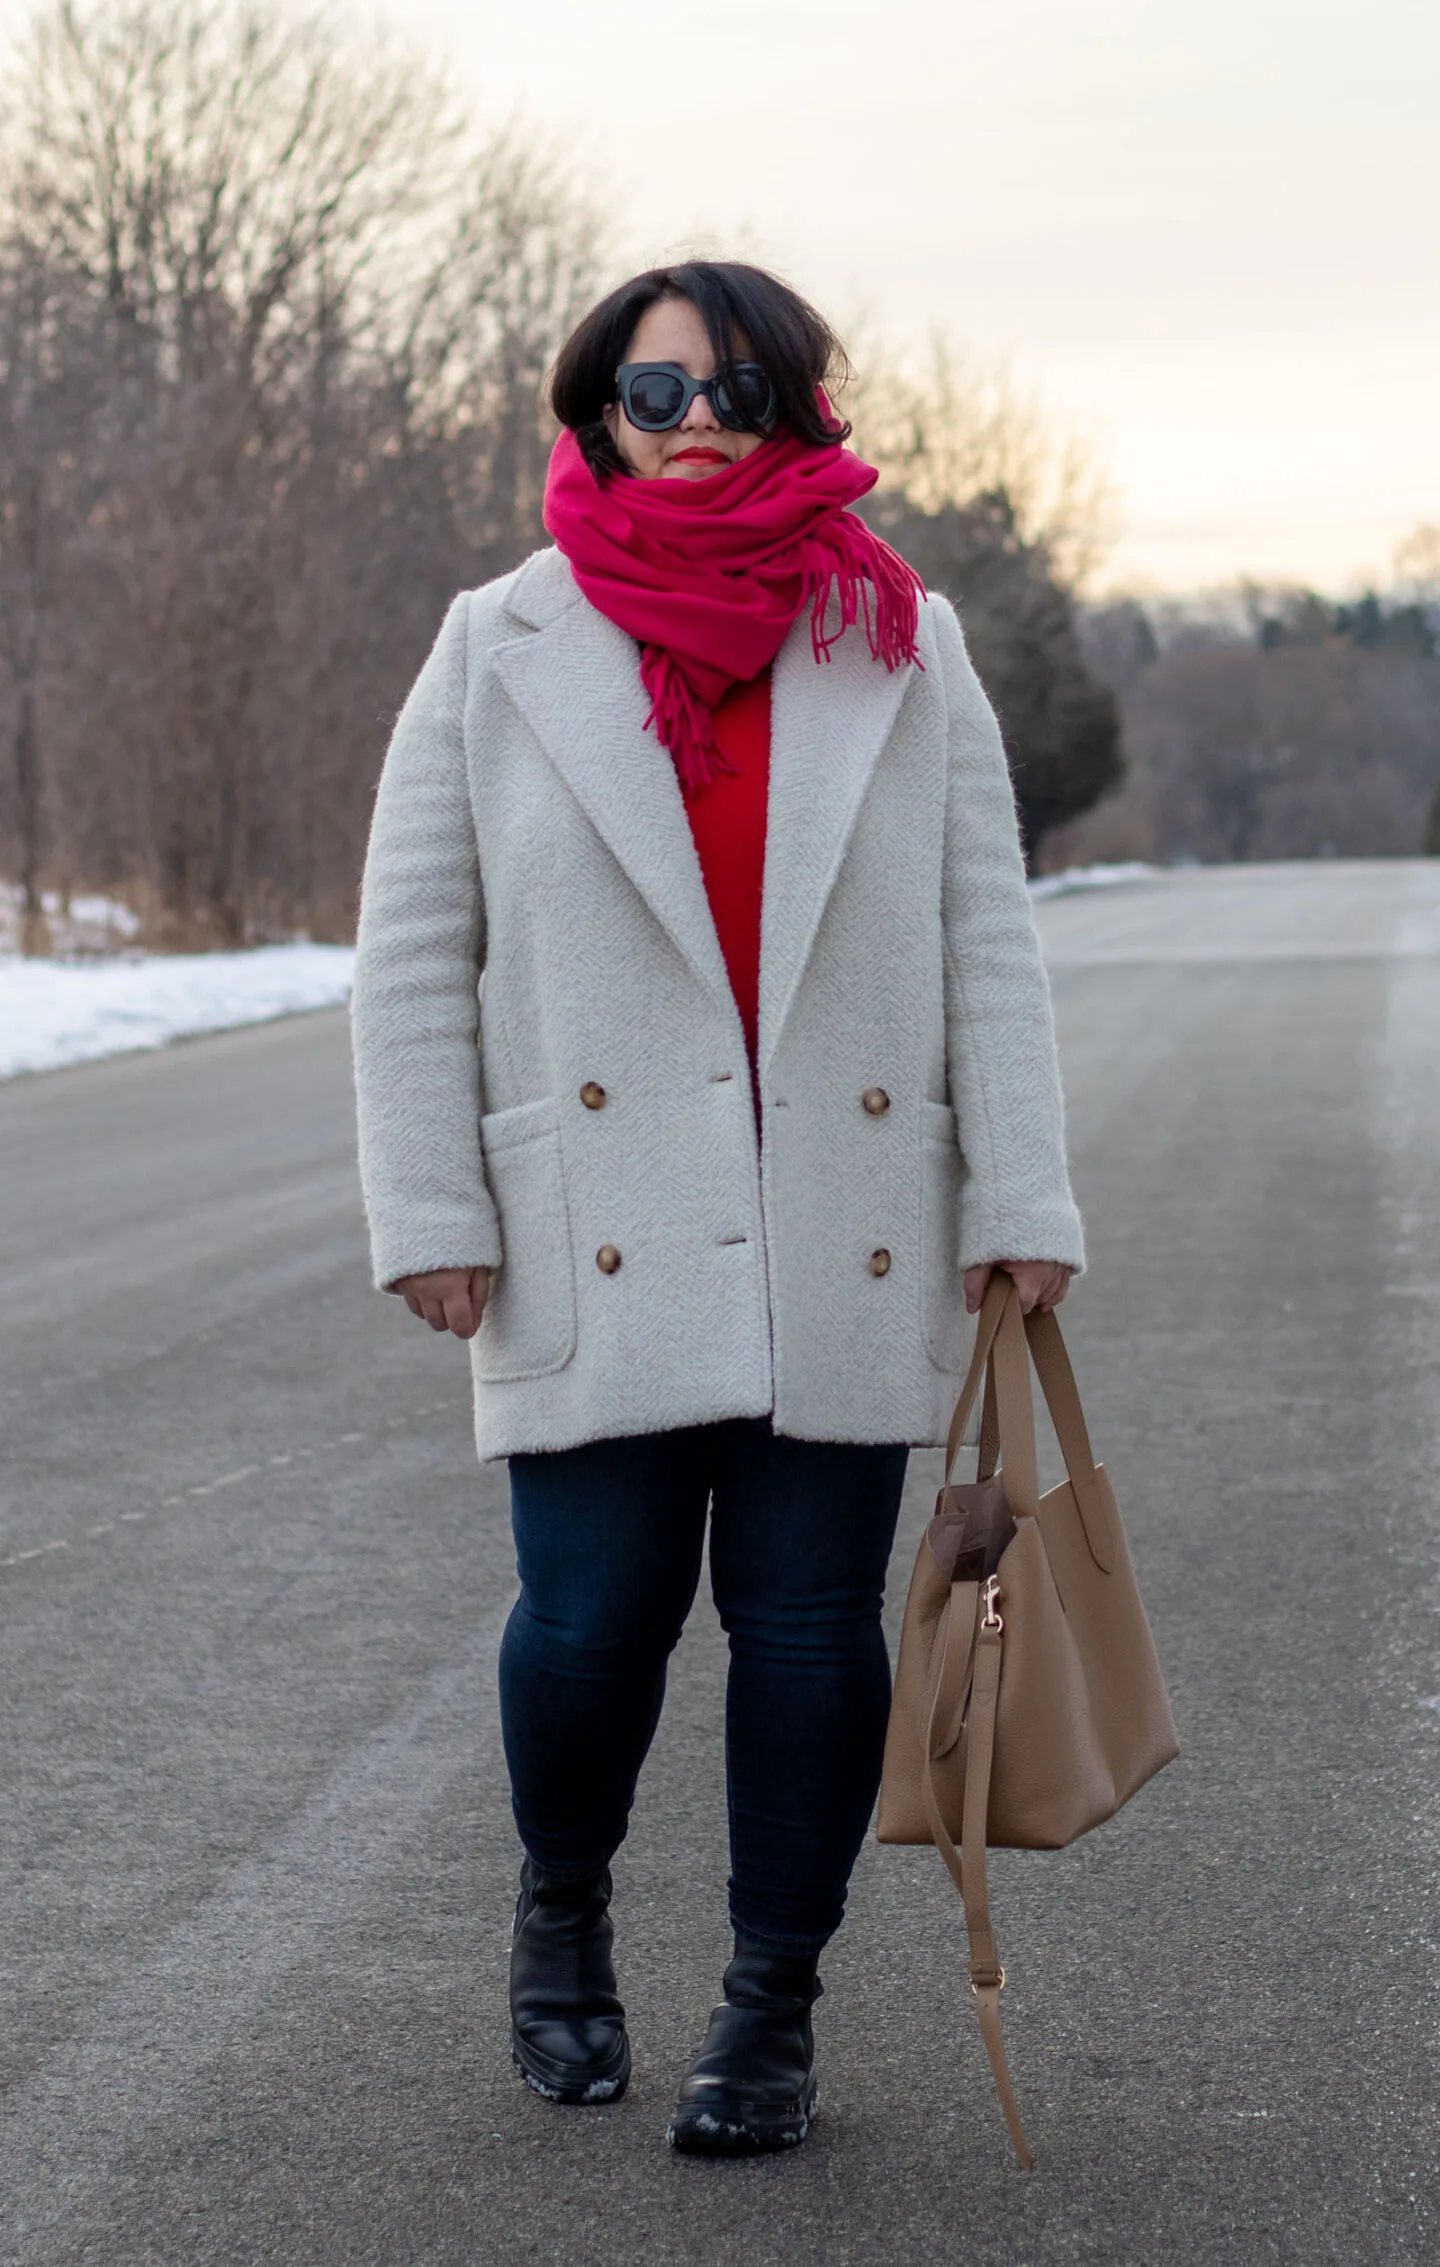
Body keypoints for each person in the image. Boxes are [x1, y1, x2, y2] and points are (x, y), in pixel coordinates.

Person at [350, 260, 1082, 2157]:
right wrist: (434, 1198)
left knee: (817, 1630)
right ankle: (564, 1911)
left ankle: (772, 2004)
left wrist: (1019, 1187)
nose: (698, 424)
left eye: (737, 388)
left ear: (798, 404)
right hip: (592, 1206)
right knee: (590, 1625)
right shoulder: (495, 641)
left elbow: (982, 934)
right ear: (596, 410)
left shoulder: (898, 637)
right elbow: (414, 949)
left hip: (841, 1207)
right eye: (656, 392)